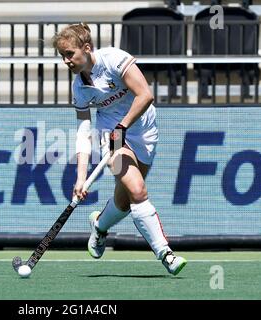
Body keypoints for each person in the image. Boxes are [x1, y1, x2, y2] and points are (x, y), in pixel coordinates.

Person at [52, 23, 187, 275]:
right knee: (137, 190)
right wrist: (81, 178)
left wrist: (123, 125)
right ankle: (166, 254)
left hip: (143, 131)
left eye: (70, 54)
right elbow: (83, 131)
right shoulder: (79, 88)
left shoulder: (114, 59)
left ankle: (100, 225)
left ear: (87, 48)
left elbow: (145, 95)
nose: (66, 61)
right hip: (112, 136)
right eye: (62, 56)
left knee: (124, 201)